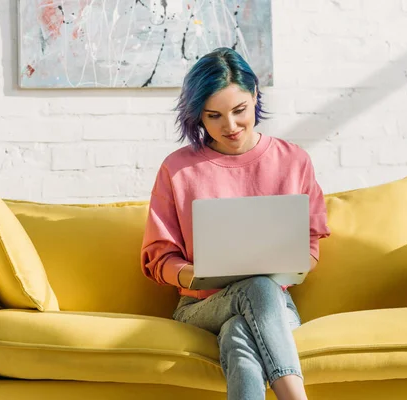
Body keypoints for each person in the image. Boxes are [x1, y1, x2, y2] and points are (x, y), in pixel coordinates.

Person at [140, 47, 330, 400]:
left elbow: (310, 247)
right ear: (198, 116)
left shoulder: (294, 161)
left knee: (239, 333)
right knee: (256, 288)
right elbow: (159, 260)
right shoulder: (178, 169)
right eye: (214, 116)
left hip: (275, 307)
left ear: (255, 95)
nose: (229, 126)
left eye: (240, 111)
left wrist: (292, 264)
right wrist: (194, 273)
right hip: (200, 307)